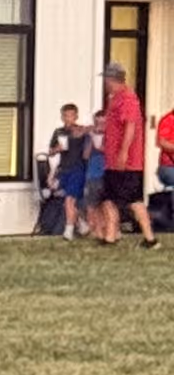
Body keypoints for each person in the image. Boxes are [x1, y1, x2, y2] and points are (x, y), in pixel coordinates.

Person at [94, 62, 156, 247]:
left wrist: (123, 153)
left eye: (106, 78)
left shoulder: (128, 98)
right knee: (109, 198)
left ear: (113, 79)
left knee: (131, 201)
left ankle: (149, 239)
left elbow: (130, 126)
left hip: (125, 162)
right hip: (112, 160)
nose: (105, 82)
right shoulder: (115, 98)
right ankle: (111, 236)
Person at [51, 103, 93, 238]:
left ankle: (68, 232)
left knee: (69, 199)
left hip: (78, 168)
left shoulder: (81, 130)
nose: (68, 118)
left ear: (76, 116)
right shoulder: (58, 132)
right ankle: (81, 223)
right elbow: (50, 152)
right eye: (66, 116)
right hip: (63, 169)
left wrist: (84, 132)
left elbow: (93, 129)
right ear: (62, 117)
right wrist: (56, 149)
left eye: (71, 115)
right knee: (67, 200)